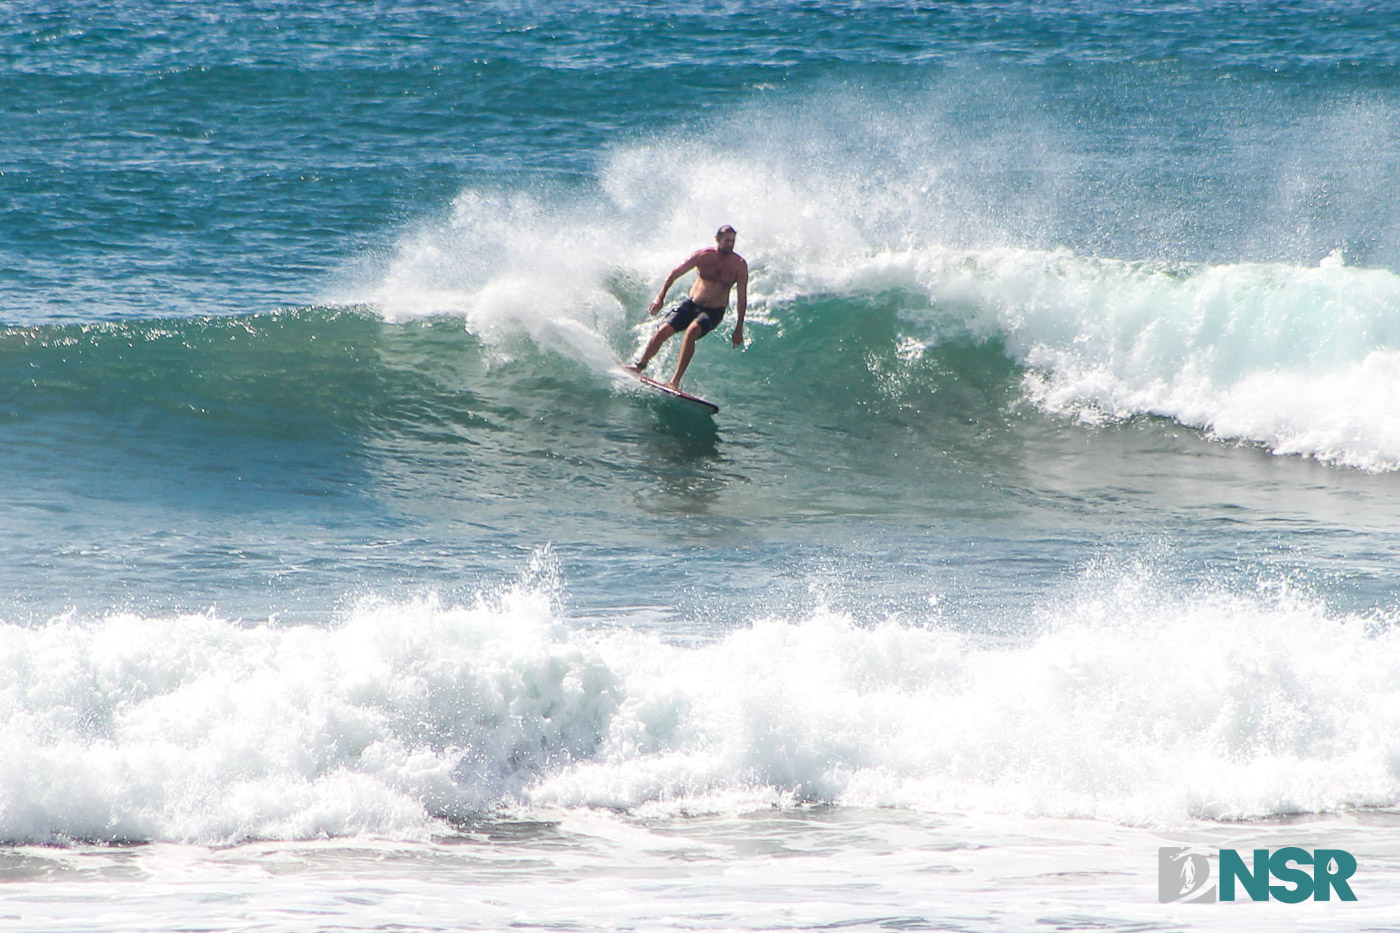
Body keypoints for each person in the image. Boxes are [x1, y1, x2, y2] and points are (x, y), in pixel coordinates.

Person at [627, 225, 747, 389]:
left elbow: (742, 298)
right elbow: (674, 273)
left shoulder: (739, 265)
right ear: (718, 240)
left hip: (714, 311)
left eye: (733, 241)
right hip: (692, 304)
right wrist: (660, 297)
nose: (730, 244)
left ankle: (674, 381)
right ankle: (639, 366)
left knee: (692, 331)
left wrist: (738, 327)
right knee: (663, 330)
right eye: (727, 240)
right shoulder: (703, 256)